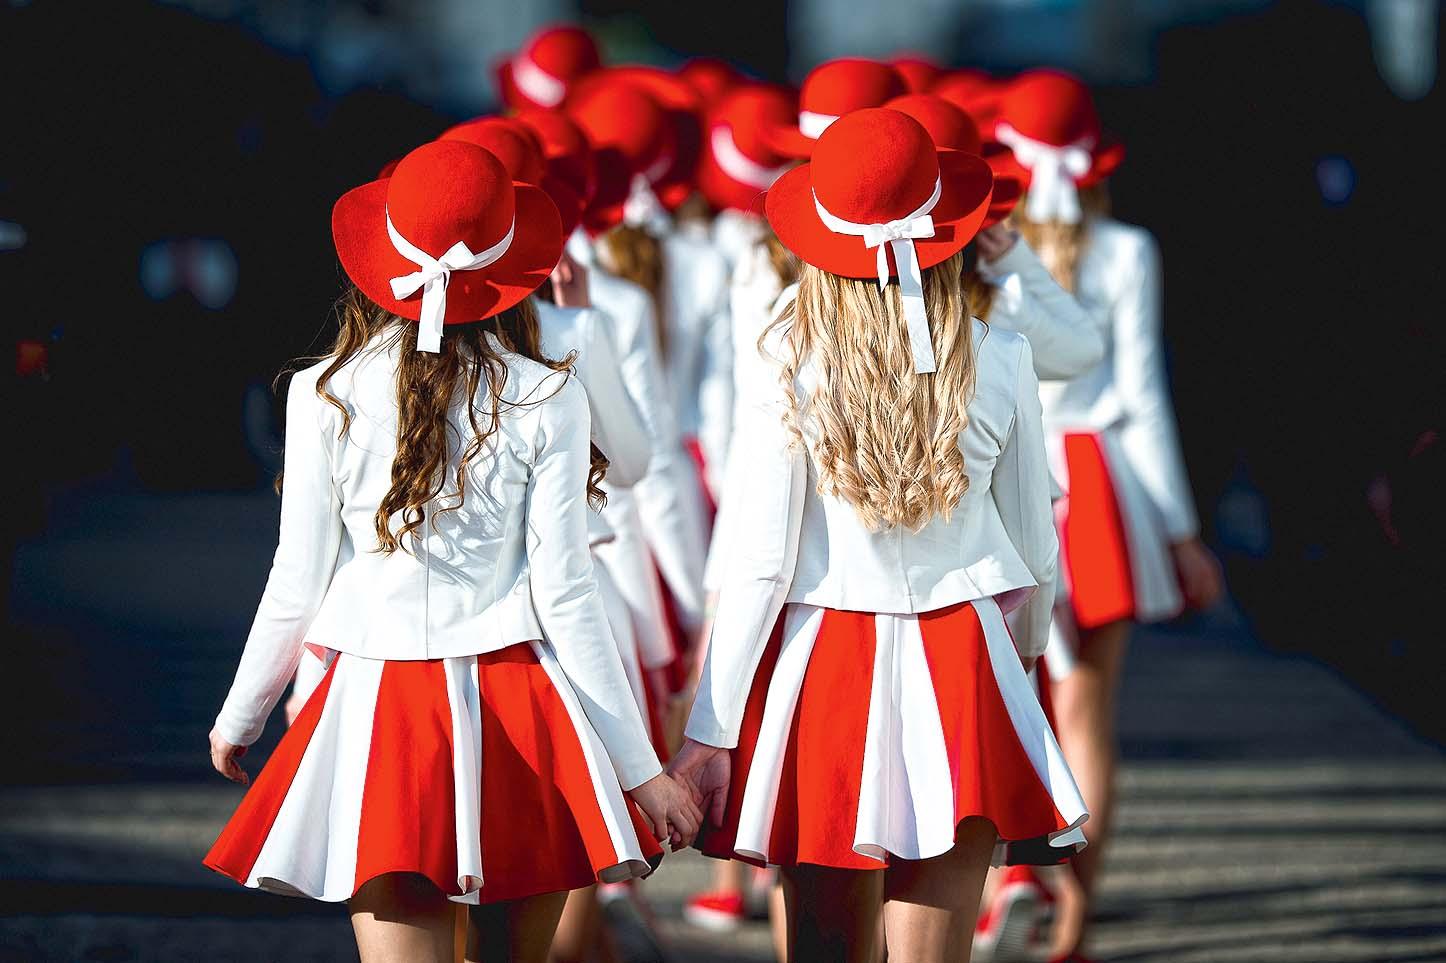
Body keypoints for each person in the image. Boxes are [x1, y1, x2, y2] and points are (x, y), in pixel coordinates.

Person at [201, 141, 699, 963]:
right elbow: (567, 596)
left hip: (379, 706)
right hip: (522, 710)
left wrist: (241, 713)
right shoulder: (550, 393)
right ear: (510, 270)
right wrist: (642, 771)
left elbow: (297, 579)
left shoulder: (322, 391)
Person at [670, 109, 1087, 963]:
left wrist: (710, 728)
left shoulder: (785, 359)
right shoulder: (1002, 355)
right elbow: (1035, 546)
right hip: (965, 659)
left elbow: (759, 561)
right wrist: (1024, 657)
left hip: (821, 664)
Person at [988, 69, 1223, 963]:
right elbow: (1144, 396)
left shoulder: (990, 242)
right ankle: (1074, 925)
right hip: (1097, 484)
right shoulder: (1129, 250)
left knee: (1005, 701)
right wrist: (1180, 529)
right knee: (1087, 714)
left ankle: (1008, 879)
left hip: (1006, 473)